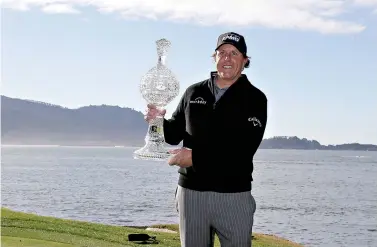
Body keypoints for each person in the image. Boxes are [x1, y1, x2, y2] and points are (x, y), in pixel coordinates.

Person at [145, 31, 268, 247]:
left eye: (234, 53)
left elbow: (243, 150)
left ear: (245, 60)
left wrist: (194, 158)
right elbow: (173, 135)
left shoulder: (255, 99)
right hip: (191, 194)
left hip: (233, 195)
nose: (227, 58)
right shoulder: (194, 92)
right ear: (215, 57)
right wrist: (157, 123)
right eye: (222, 53)